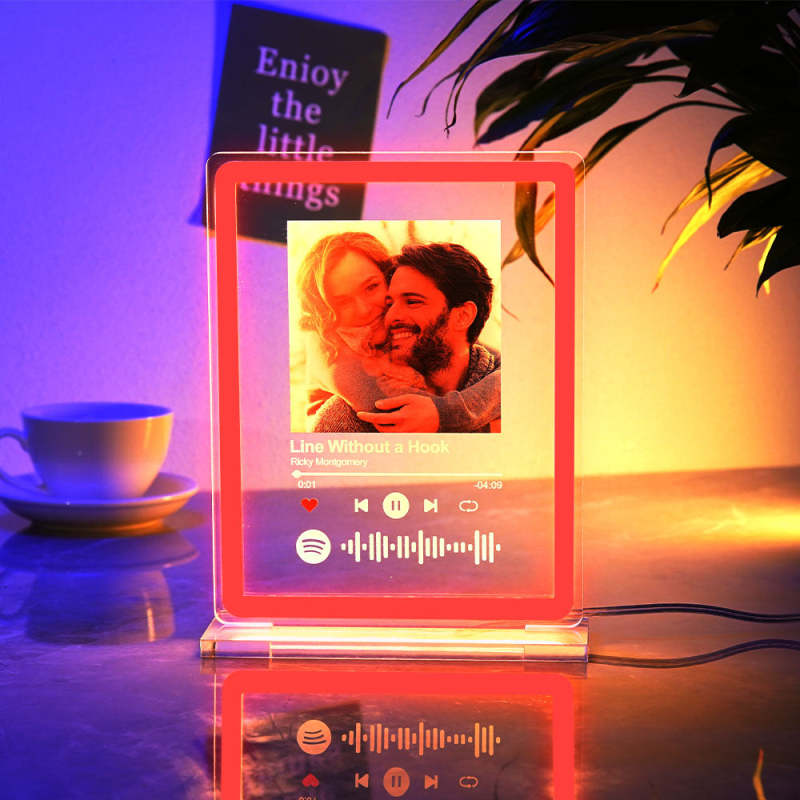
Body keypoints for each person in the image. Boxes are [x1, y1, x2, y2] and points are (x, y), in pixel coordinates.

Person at [309, 241, 500, 433]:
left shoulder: (455, 339)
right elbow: (405, 415)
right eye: (343, 301)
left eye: (371, 287)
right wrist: (453, 416)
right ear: (327, 312)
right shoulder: (331, 353)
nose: (364, 309)